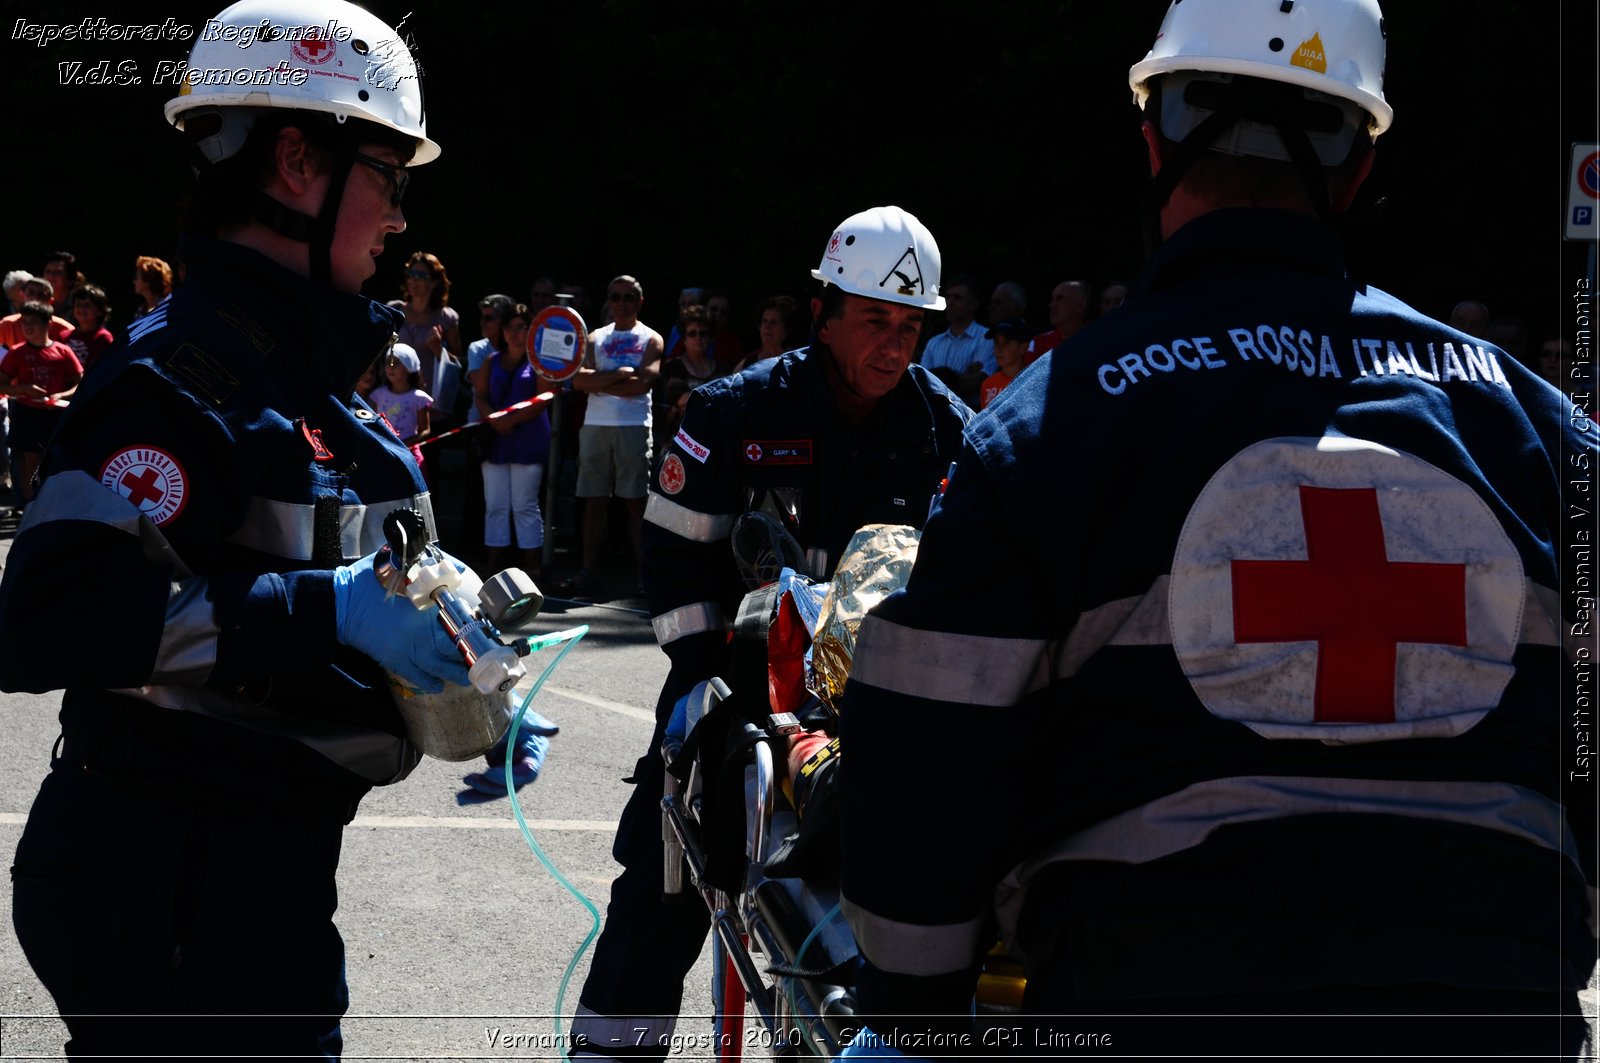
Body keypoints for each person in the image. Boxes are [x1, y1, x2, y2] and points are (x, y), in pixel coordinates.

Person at [836, 0, 1598, 1057]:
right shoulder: (1535, 424)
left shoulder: (1061, 413)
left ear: (1152, 143)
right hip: (1494, 1004)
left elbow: (934, 747)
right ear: (1357, 171)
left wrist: (910, 1009)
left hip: (1160, 997)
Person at [0, 2, 462, 1056]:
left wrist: (442, 664)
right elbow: (51, 616)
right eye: (389, 180)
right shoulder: (181, 378)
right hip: (169, 883)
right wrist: (330, 611)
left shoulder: (282, 370)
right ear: (298, 161)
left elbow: (264, 601)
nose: (396, 220)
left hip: (251, 875)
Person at [569, 205, 971, 1060]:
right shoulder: (732, 414)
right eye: (874, 321)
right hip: (731, 699)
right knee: (662, 885)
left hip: (878, 724)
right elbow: (671, 578)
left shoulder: (947, 431)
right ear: (824, 311)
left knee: (896, 919)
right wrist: (733, 685)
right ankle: (608, 1049)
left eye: (911, 326)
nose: (894, 346)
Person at [563, 274, 663, 597]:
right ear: (609, 301)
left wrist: (601, 380)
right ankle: (588, 571)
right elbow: (578, 382)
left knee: (636, 503)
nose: (622, 303)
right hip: (595, 425)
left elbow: (643, 384)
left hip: (634, 427)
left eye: (629, 297)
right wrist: (621, 374)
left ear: (640, 302)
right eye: (616, 297)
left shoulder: (651, 339)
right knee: (593, 502)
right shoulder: (594, 338)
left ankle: (644, 575)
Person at [0, 300, 82, 505]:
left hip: (56, 416)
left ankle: (60, 503)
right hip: (27, 414)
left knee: (58, 460)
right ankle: (32, 505)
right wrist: (24, 389)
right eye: (24, 322)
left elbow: (80, 383)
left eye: (33, 322)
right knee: (29, 461)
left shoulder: (63, 351)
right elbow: (2, 385)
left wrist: (63, 395)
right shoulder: (16, 353)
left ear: (47, 325)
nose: (27, 327)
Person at [389, 250, 463, 408]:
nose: (414, 280)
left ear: (434, 282)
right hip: (393, 399)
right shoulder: (393, 310)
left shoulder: (446, 317)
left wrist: (439, 350)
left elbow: (458, 362)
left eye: (421, 276)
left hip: (429, 402)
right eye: (411, 273)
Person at [918, 273, 993, 404]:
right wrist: (959, 377)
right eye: (948, 296)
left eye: (958, 298)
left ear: (973, 305)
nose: (950, 302)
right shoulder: (934, 342)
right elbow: (921, 383)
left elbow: (977, 384)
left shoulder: (987, 338)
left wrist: (940, 377)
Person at [370, 341, 433, 476]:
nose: (390, 367)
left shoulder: (419, 398)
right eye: (388, 362)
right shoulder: (378, 395)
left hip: (410, 456)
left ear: (409, 366)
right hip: (384, 453)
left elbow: (426, 430)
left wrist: (406, 443)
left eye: (397, 363)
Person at [1025, 279, 1090, 363]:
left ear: (1080, 305)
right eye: (1052, 299)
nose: (1052, 305)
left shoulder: (1098, 339)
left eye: (1060, 299)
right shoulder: (1039, 343)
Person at [978, 318, 1029, 408]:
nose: (999, 348)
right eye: (996, 342)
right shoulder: (988, 384)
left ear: (1023, 347)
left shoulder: (1030, 382)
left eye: (1006, 343)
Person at [64, 283, 116, 373]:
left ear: (100, 311)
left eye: (87, 305)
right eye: (78, 304)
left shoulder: (103, 338)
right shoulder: (64, 336)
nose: (81, 309)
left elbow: (99, 370)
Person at [132, 255, 175, 320]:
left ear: (147, 281)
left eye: (136, 277)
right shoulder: (140, 311)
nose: (134, 281)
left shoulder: (167, 309)